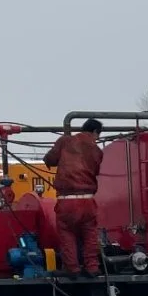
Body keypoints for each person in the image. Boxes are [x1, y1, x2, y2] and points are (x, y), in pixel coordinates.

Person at [44, 117, 105, 275]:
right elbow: (95, 171)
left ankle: (72, 268)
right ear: (95, 132)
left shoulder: (65, 141)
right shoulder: (97, 150)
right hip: (88, 200)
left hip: (67, 200)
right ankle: (92, 267)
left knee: (67, 232)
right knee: (90, 233)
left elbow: (50, 158)